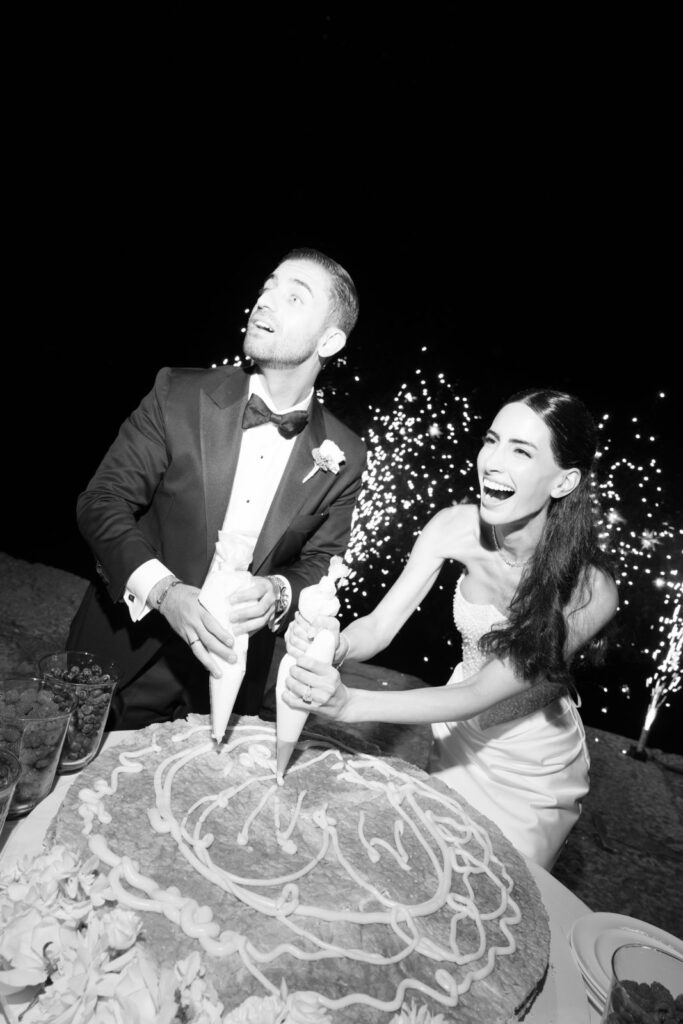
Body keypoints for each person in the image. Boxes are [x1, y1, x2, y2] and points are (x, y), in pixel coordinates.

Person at [283, 387, 619, 870]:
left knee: (504, 900)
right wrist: (335, 644)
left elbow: (486, 690)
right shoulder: (453, 527)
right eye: (492, 440)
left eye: (521, 451)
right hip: (457, 737)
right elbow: (380, 623)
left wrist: (350, 703)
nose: (492, 462)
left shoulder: (591, 591)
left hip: (529, 769)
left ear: (563, 482)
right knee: (430, 871)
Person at [67, 247, 367, 730]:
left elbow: (321, 562)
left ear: (330, 341)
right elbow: (103, 502)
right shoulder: (177, 393)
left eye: (294, 297)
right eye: (268, 288)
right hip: (125, 652)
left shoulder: (345, 454)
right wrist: (165, 593)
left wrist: (278, 592)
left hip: (233, 679)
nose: (265, 301)